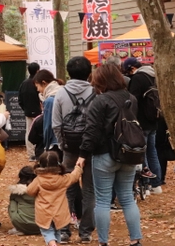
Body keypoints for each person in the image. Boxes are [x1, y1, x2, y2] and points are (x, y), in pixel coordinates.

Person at [77, 63, 143, 246]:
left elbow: (92, 130)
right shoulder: (131, 98)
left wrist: (83, 154)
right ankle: (136, 240)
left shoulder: (100, 100)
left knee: (103, 201)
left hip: (104, 155)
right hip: (128, 153)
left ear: (100, 80)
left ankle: (103, 242)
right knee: (128, 198)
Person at [52, 56, 95, 244]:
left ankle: (64, 231)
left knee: (68, 188)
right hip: (91, 149)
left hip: (69, 148)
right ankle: (85, 232)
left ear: (69, 72)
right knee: (89, 190)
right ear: (89, 73)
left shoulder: (60, 94)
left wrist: (63, 144)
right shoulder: (96, 92)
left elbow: (56, 124)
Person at [123, 57, 162, 194]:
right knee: (153, 151)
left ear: (132, 68)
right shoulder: (153, 76)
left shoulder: (138, 78)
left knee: (142, 152)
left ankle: (145, 183)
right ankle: (156, 184)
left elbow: (132, 100)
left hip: (142, 121)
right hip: (154, 120)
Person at [28, 150, 83, 246]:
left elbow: (30, 191)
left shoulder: (38, 180)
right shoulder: (63, 179)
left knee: (47, 232)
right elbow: (74, 176)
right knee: (57, 231)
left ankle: (53, 244)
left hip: (44, 212)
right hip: (59, 212)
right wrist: (78, 167)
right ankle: (55, 243)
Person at [34, 70, 60, 157]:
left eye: (37, 86)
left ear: (44, 83)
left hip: (54, 142)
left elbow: (48, 126)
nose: (38, 90)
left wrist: (46, 145)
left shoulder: (49, 101)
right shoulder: (62, 92)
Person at [19, 63, 42, 162]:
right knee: (40, 131)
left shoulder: (24, 83)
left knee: (29, 132)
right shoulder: (39, 83)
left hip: (28, 112)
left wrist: (25, 109)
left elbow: (20, 99)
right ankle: (40, 152)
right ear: (37, 70)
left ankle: (31, 154)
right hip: (39, 112)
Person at [7, 166, 39, 236]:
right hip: (41, 225)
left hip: (21, 224)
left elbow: (12, 204)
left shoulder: (16, 191)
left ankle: (19, 227)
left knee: (13, 201)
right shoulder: (41, 188)